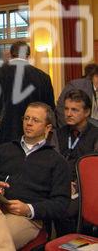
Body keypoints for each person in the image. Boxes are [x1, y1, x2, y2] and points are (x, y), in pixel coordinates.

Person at [0, 102, 70, 250]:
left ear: (48, 128)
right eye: (26, 118)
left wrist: (28, 209)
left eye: (35, 120)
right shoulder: (4, 150)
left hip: (26, 219)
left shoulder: (57, 161)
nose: (29, 123)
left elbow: (61, 204)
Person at [0, 41, 55, 148]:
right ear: (28, 56)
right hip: (36, 136)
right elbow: (50, 110)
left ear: (11, 55)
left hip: (6, 134)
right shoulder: (43, 77)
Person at [52, 89, 98, 235]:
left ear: (87, 112)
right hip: (60, 184)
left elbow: (94, 170)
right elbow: (53, 162)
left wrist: (77, 186)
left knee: (65, 209)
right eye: (66, 109)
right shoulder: (58, 133)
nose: (68, 114)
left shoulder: (96, 135)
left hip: (85, 187)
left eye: (74, 110)